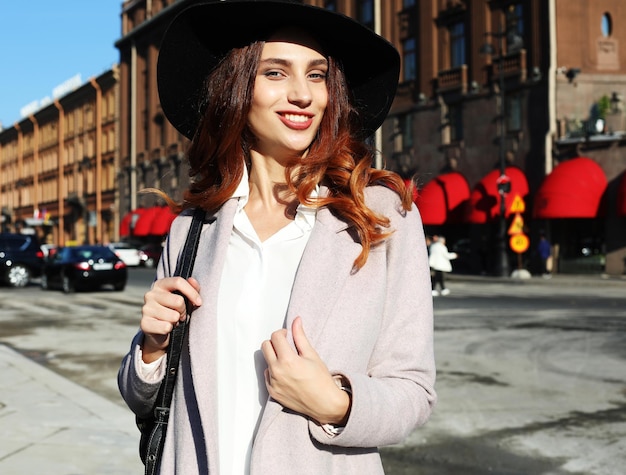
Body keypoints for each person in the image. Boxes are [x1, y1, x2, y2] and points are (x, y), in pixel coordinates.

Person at [118, 1, 436, 473]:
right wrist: (151, 346)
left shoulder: (379, 216)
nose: (302, 94)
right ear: (237, 90)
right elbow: (143, 397)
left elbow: (414, 391)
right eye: (275, 73)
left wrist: (336, 403)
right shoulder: (193, 228)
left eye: (317, 75)